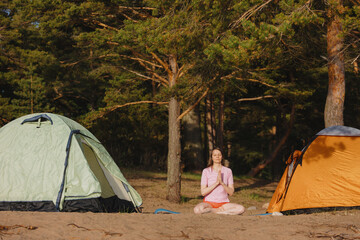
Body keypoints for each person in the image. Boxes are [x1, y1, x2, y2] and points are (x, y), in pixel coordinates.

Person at [193, 148, 245, 215]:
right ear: (212, 157)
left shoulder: (228, 171)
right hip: (209, 203)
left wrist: (222, 183)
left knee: (241, 209)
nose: (217, 156)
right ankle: (218, 211)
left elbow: (231, 192)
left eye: (219, 155)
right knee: (197, 210)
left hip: (224, 204)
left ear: (222, 156)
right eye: (215, 155)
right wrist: (217, 183)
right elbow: (203, 192)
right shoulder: (206, 171)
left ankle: (217, 212)